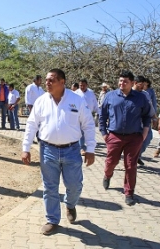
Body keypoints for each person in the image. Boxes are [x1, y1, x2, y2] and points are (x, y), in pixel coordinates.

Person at [21, 68, 96, 235]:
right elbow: (31, 125)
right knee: (49, 187)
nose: (47, 83)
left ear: (62, 82)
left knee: (75, 185)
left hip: (72, 150)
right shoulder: (41, 101)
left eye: (51, 80)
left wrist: (90, 149)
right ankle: (52, 220)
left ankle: (70, 204)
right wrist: (26, 148)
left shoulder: (76, 100)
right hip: (48, 150)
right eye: (47, 80)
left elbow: (89, 125)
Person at [99, 71, 152, 206]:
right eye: (120, 81)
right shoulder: (111, 96)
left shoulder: (141, 98)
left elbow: (147, 116)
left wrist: (144, 134)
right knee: (111, 162)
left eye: (125, 81)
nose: (122, 83)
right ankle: (107, 175)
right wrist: (104, 134)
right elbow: (102, 116)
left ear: (132, 83)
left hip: (134, 138)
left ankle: (129, 192)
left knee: (130, 166)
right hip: (114, 136)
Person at [133, 76, 156, 166]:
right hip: (134, 122)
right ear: (135, 83)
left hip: (145, 122)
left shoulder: (146, 94)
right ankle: (131, 158)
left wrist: (154, 117)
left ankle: (137, 155)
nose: (143, 87)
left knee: (148, 138)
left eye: (145, 85)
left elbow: (151, 106)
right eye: (141, 84)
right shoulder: (129, 93)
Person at [74, 79, 99, 156]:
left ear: (87, 85)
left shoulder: (91, 93)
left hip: (89, 114)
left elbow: (94, 103)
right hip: (79, 115)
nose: (82, 87)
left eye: (83, 85)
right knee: (81, 132)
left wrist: (99, 112)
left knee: (88, 131)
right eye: (80, 85)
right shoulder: (76, 93)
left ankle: (88, 146)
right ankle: (81, 147)